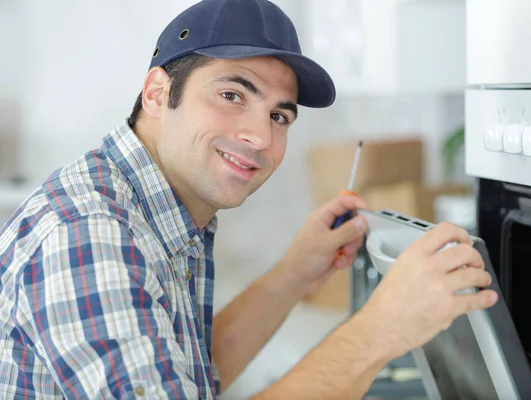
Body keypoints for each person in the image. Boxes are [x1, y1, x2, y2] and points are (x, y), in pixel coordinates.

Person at [0, 0, 498, 398]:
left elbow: (187, 373)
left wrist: (296, 274)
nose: (259, 137)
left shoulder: (155, 210)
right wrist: (379, 331)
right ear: (157, 93)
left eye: (279, 116)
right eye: (232, 96)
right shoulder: (89, 236)